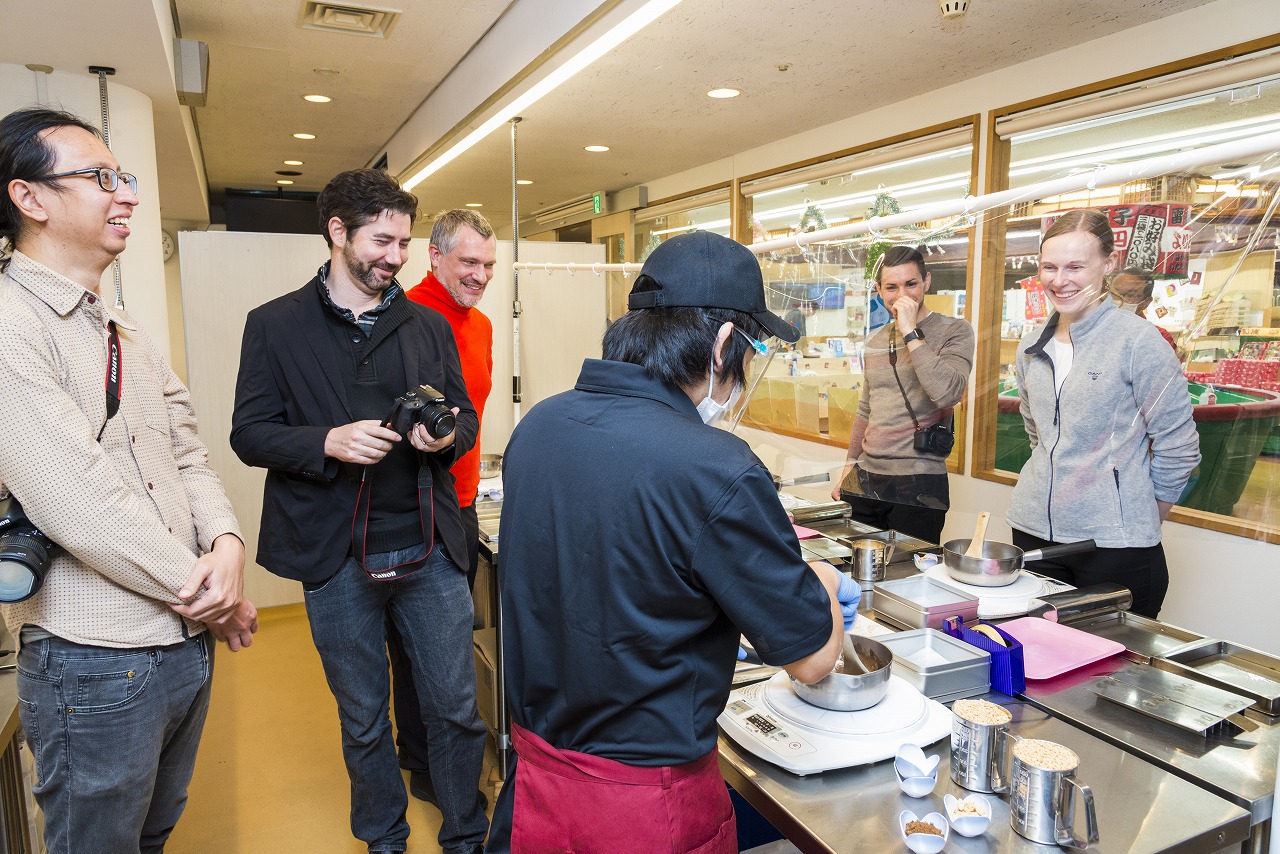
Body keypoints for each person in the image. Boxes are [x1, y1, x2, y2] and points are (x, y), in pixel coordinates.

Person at [488, 230, 859, 853]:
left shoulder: (541, 425)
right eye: (750, 350)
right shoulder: (717, 467)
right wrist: (819, 580)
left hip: (537, 790)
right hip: (643, 810)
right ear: (722, 344)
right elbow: (815, 659)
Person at [0, 106, 256, 854]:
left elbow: (187, 453)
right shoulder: (12, 325)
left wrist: (229, 542)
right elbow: (81, 503)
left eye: (125, 177)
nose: (127, 195)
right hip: (95, 658)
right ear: (31, 198)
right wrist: (215, 599)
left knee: (152, 836)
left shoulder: (121, 328)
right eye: (101, 178)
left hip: (178, 643)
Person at [230, 169, 488, 854]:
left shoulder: (428, 326)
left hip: (429, 548)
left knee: (456, 711)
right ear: (337, 233)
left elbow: (461, 420)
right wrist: (327, 442)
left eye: (403, 242)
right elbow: (249, 433)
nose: (395, 257)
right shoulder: (275, 325)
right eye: (382, 240)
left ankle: (469, 836)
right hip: (335, 555)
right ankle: (384, 839)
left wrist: (443, 435)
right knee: (365, 718)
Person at [1007, 209, 1199, 619]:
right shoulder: (1029, 347)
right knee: (1039, 664)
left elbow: (1178, 445)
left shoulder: (1138, 342)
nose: (1060, 280)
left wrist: (1136, 515)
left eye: (1075, 266)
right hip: (1033, 534)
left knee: (1115, 673)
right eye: (1050, 267)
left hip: (1115, 548)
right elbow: (1038, 434)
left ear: (1108, 264)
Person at [391, 208, 496, 807]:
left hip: (461, 499)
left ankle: (433, 757)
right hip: (419, 502)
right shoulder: (409, 320)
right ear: (434, 257)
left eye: (487, 264)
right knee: (422, 646)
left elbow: (469, 414)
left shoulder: (477, 324)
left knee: (444, 643)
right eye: (468, 263)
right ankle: (428, 765)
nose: (480, 275)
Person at [832, 245, 975, 544]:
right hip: (867, 475)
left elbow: (948, 392)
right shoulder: (875, 340)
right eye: (891, 287)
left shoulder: (955, 331)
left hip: (919, 478)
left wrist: (910, 331)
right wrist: (849, 464)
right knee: (856, 566)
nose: (902, 295)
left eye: (911, 284)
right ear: (879, 290)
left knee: (908, 575)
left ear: (926, 282)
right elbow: (867, 408)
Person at [1110, 267, 1177, 351]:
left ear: (1146, 302)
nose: (1120, 300)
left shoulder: (1159, 337)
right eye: (1115, 293)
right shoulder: (1096, 328)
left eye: (1130, 295)